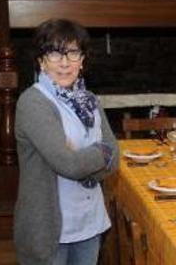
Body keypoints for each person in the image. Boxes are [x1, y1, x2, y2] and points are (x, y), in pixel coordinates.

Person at [14, 19, 118, 265]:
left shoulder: (89, 100)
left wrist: (90, 155)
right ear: (41, 61)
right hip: (49, 230)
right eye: (54, 53)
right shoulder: (33, 103)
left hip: (88, 223)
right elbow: (68, 163)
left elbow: (115, 158)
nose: (64, 62)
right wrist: (99, 153)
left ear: (81, 61)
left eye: (72, 53)